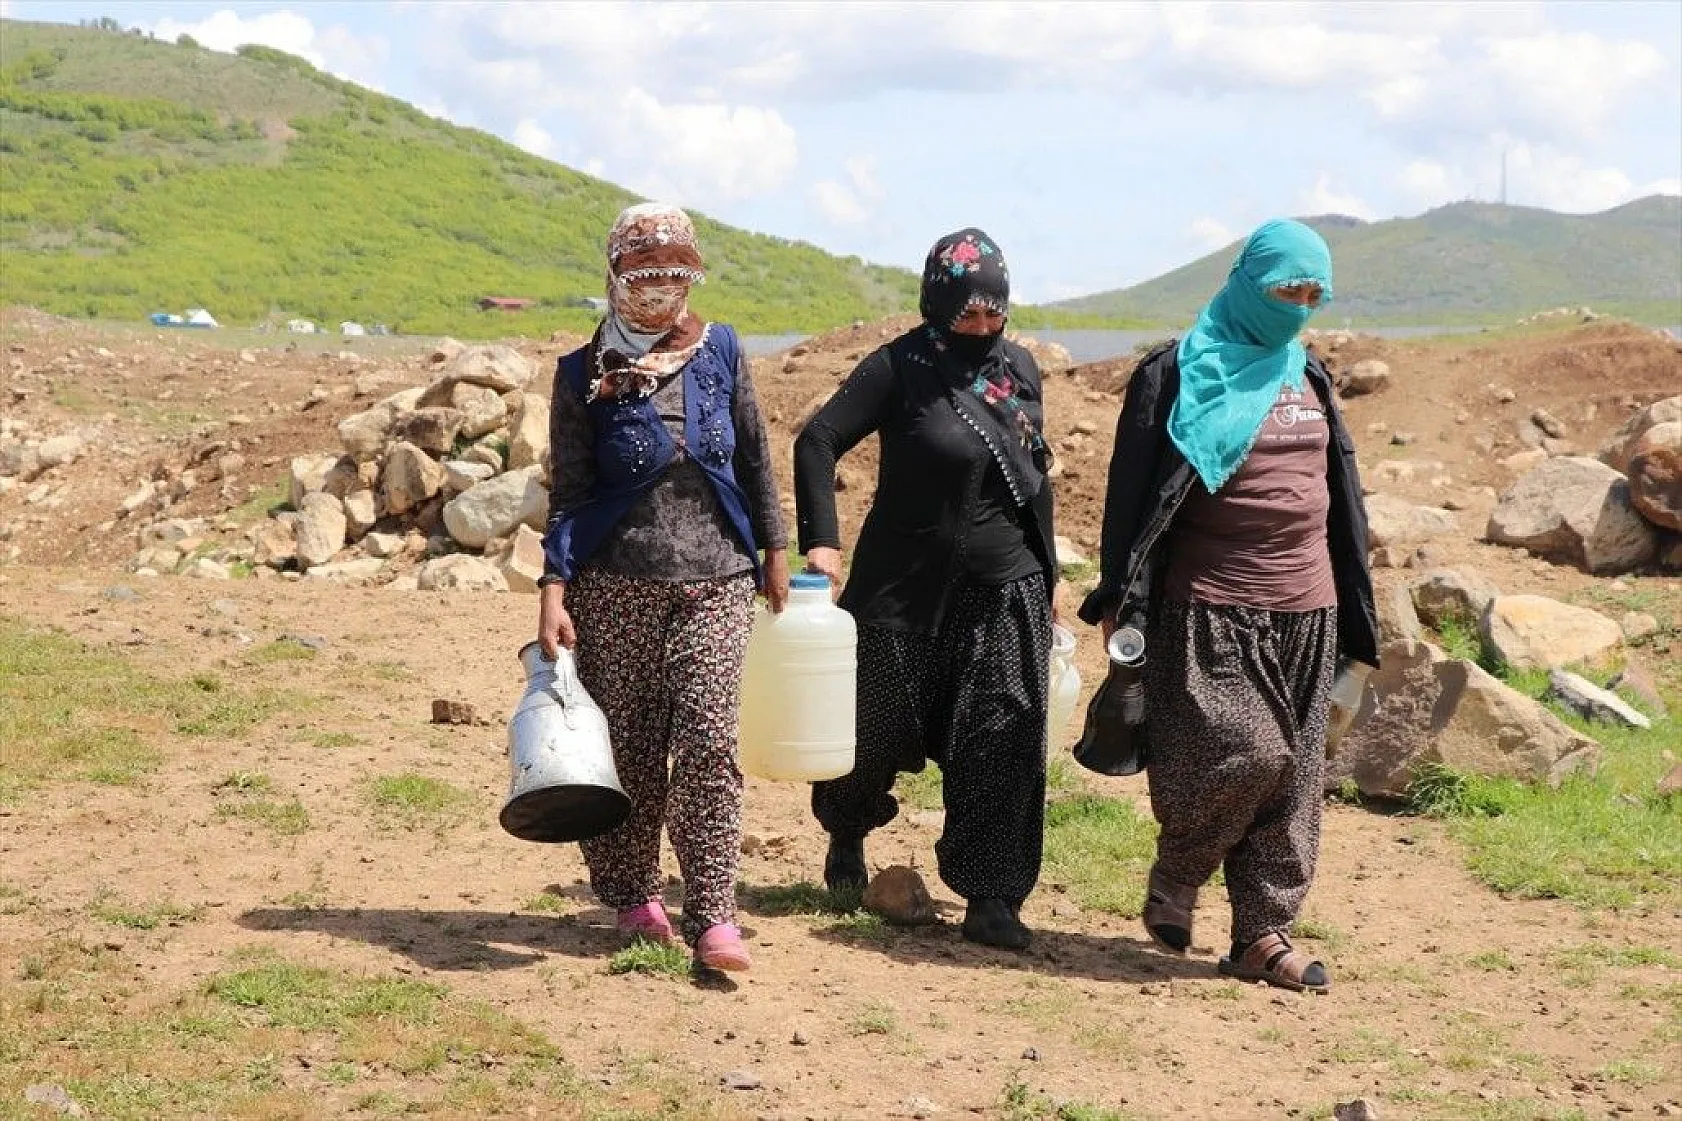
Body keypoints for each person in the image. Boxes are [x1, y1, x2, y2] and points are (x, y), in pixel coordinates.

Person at [1078, 219, 1378, 993]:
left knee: (1295, 780)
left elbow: (1338, 495)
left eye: (1314, 294)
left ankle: (1262, 934)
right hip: (1210, 605)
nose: (1300, 306)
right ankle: (1179, 872)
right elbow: (1130, 498)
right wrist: (1122, 595)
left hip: (1308, 608)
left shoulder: (1308, 373)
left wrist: (1356, 610)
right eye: (1287, 290)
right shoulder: (1177, 372)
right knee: (1251, 752)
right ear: (1250, 283)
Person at [537, 202, 791, 973]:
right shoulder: (581, 376)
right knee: (633, 751)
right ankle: (633, 894)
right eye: (644, 275)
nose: (660, 289)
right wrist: (553, 588)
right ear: (614, 273)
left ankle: (715, 912)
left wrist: (775, 548)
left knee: (711, 741)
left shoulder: (722, 353)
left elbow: (755, 457)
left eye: (676, 275)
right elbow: (571, 492)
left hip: (717, 577)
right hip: (614, 586)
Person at [795, 228, 1058, 951]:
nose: (980, 328)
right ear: (936, 301)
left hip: (1005, 587)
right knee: (872, 729)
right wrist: (821, 538)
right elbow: (816, 440)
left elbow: (1035, 479)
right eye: (966, 314)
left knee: (1002, 737)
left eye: (992, 315)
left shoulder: (1022, 368)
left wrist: (1052, 579)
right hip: (899, 586)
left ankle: (992, 893)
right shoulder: (899, 366)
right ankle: (848, 835)